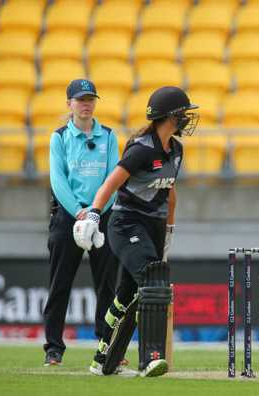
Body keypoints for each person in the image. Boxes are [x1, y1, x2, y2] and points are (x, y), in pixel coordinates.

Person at [72, 86, 198, 377]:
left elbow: (170, 192)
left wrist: (169, 232)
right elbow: (111, 183)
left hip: (153, 226)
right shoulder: (142, 148)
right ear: (170, 116)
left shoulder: (176, 149)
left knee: (128, 295)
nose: (188, 119)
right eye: (184, 114)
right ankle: (151, 357)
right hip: (126, 223)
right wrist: (93, 212)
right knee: (154, 283)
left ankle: (104, 360)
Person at [42, 79, 120, 366]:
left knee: (107, 286)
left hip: (103, 215)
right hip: (67, 217)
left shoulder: (108, 136)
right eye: (80, 99)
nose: (86, 104)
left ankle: (106, 343)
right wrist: (79, 213)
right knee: (59, 284)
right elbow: (58, 181)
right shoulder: (59, 137)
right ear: (69, 104)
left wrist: (97, 211)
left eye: (90, 99)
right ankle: (53, 348)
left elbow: (113, 178)